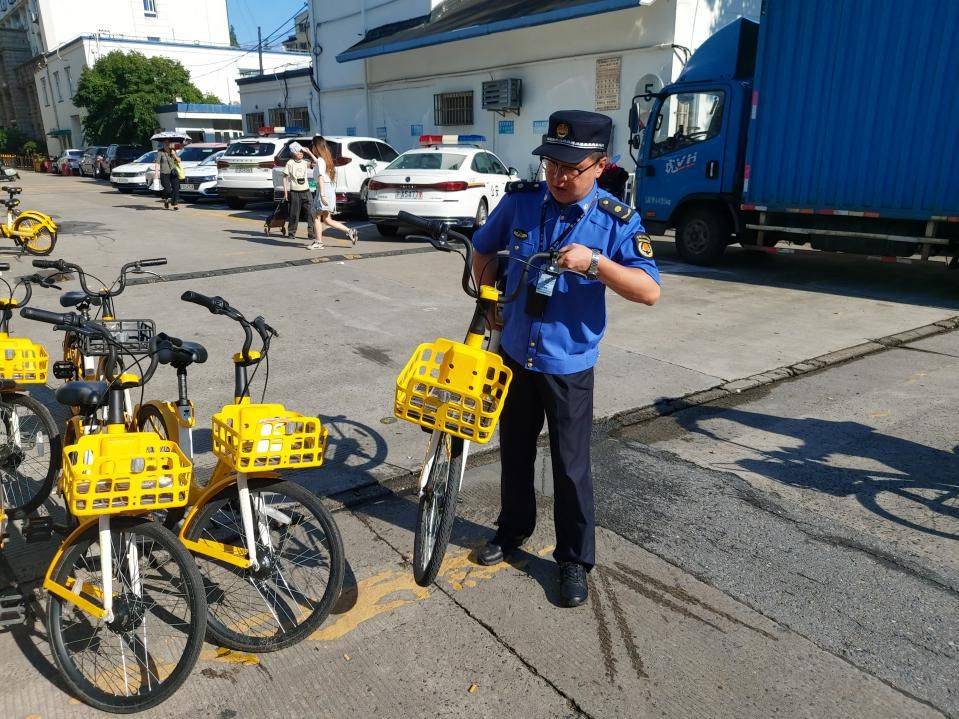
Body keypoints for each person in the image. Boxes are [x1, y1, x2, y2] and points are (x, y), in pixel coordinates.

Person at [471, 110, 661, 607]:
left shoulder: (617, 221)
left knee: (570, 467)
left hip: (568, 364)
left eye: (570, 167)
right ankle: (512, 530)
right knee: (512, 450)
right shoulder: (521, 204)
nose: (556, 175)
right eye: (550, 163)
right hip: (514, 355)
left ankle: (574, 559)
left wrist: (596, 264)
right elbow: (484, 248)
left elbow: (649, 291)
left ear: (600, 166)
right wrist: (490, 299)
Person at [301, 136, 357, 250]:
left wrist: (321, 194)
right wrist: (309, 153)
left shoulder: (321, 160)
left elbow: (321, 177)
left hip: (323, 189)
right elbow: (318, 163)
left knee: (316, 216)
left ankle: (318, 242)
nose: (312, 147)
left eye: (312, 145)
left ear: (317, 147)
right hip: (329, 188)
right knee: (327, 220)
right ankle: (350, 231)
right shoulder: (325, 159)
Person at [283, 143, 313, 240]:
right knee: (294, 213)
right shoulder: (290, 163)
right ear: (293, 153)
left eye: (301, 152)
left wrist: (308, 152)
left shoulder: (305, 162)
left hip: (306, 191)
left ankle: (311, 233)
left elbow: (315, 163)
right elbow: (285, 178)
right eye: (298, 152)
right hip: (295, 192)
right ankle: (291, 233)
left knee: (311, 213)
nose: (300, 153)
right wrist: (286, 192)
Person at [156, 142, 182, 210]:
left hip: (173, 172)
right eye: (166, 143)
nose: (168, 144)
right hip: (164, 173)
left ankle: (175, 204)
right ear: (163, 144)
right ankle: (166, 199)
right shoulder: (160, 152)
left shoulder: (173, 151)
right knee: (168, 190)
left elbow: (179, 160)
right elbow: (157, 163)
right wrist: (156, 174)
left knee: (176, 188)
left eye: (169, 143)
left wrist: (174, 155)